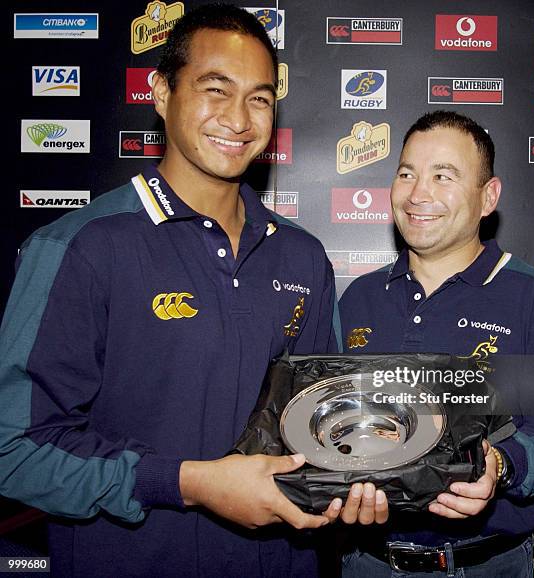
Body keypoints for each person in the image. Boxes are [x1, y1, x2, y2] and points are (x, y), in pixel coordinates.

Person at [0, 5, 371, 577]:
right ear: (160, 92)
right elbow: (14, 450)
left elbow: (326, 426)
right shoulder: (80, 247)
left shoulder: (302, 255)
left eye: (260, 98)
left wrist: (367, 477)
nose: (239, 118)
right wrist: (186, 483)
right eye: (215, 89)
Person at [338, 110, 534, 577]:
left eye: (443, 176)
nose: (418, 194)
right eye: (407, 174)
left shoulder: (532, 298)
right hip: (367, 562)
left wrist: (502, 465)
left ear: (489, 197)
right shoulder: (360, 298)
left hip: (487, 565)